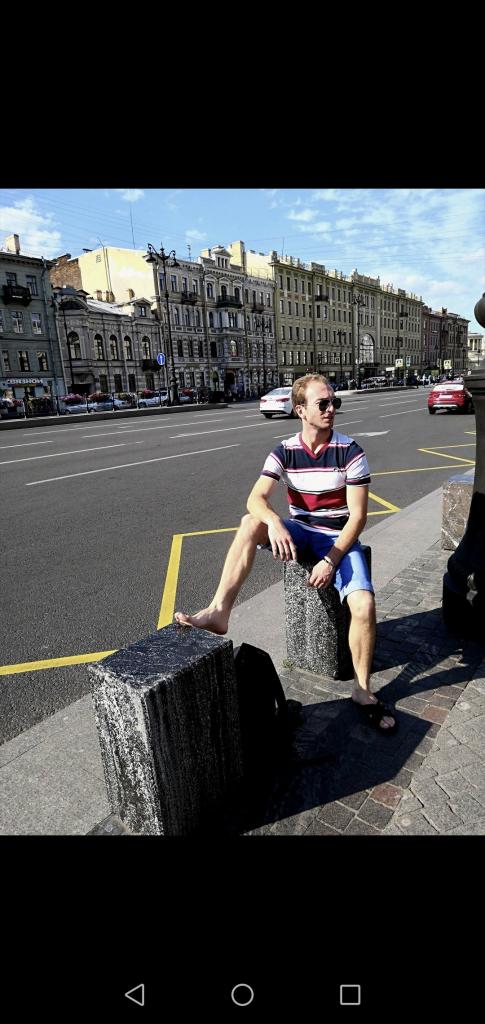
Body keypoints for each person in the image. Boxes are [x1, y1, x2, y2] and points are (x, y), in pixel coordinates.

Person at [175, 374, 396, 733]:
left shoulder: (350, 450)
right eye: (322, 403)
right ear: (300, 410)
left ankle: (362, 688)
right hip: (300, 530)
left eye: (334, 402)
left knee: (364, 605)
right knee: (250, 521)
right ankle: (219, 612)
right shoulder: (285, 450)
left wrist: (330, 560)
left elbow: (358, 517)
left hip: (337, 537)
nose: (331, 409)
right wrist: (275, 523)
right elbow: (255, 499)